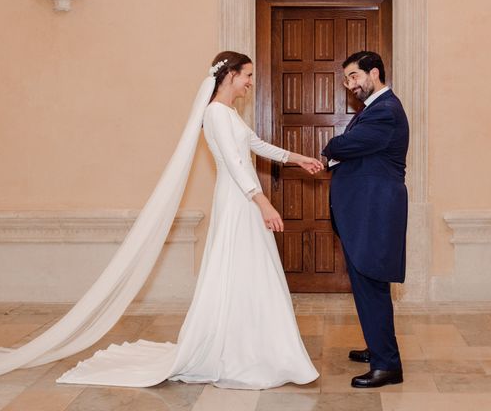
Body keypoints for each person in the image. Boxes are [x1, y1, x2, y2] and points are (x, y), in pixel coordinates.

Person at [50, 51, 322, 388]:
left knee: (250, 268)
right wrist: (263, 202)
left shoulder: (230, 114)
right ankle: (235, 348)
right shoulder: (215, 114)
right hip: (238, 198)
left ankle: (255, 343)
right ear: (231, 75)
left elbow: (256, 146)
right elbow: (237, 165)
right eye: (248, 75)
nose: (251, 82)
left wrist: (299, 158)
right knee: (237, 266)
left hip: (245, 198)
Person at [321, 51, 409, 388]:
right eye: (347, 80)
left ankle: (387, 365)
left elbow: (347, 144)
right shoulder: (375, 109)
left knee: (370, 283)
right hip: (367, 210)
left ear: (375, 73)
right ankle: (378, 348)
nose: (350, 85)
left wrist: (332, 146)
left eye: (355, 77)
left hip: (374, 212)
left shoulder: (385, 111)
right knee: (367, 283)